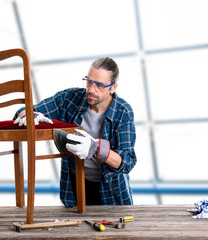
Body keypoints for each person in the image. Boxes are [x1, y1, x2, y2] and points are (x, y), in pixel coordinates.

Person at [13, 57, 136, 207]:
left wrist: (96, 149)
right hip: (74, 190)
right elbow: (25, 111)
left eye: (99, 86)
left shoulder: (123, 112)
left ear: (113, 87)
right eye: (89, 82)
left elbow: (127, 161)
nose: (91, 90)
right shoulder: (69, 99)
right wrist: (28, 115)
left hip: (111, 192)